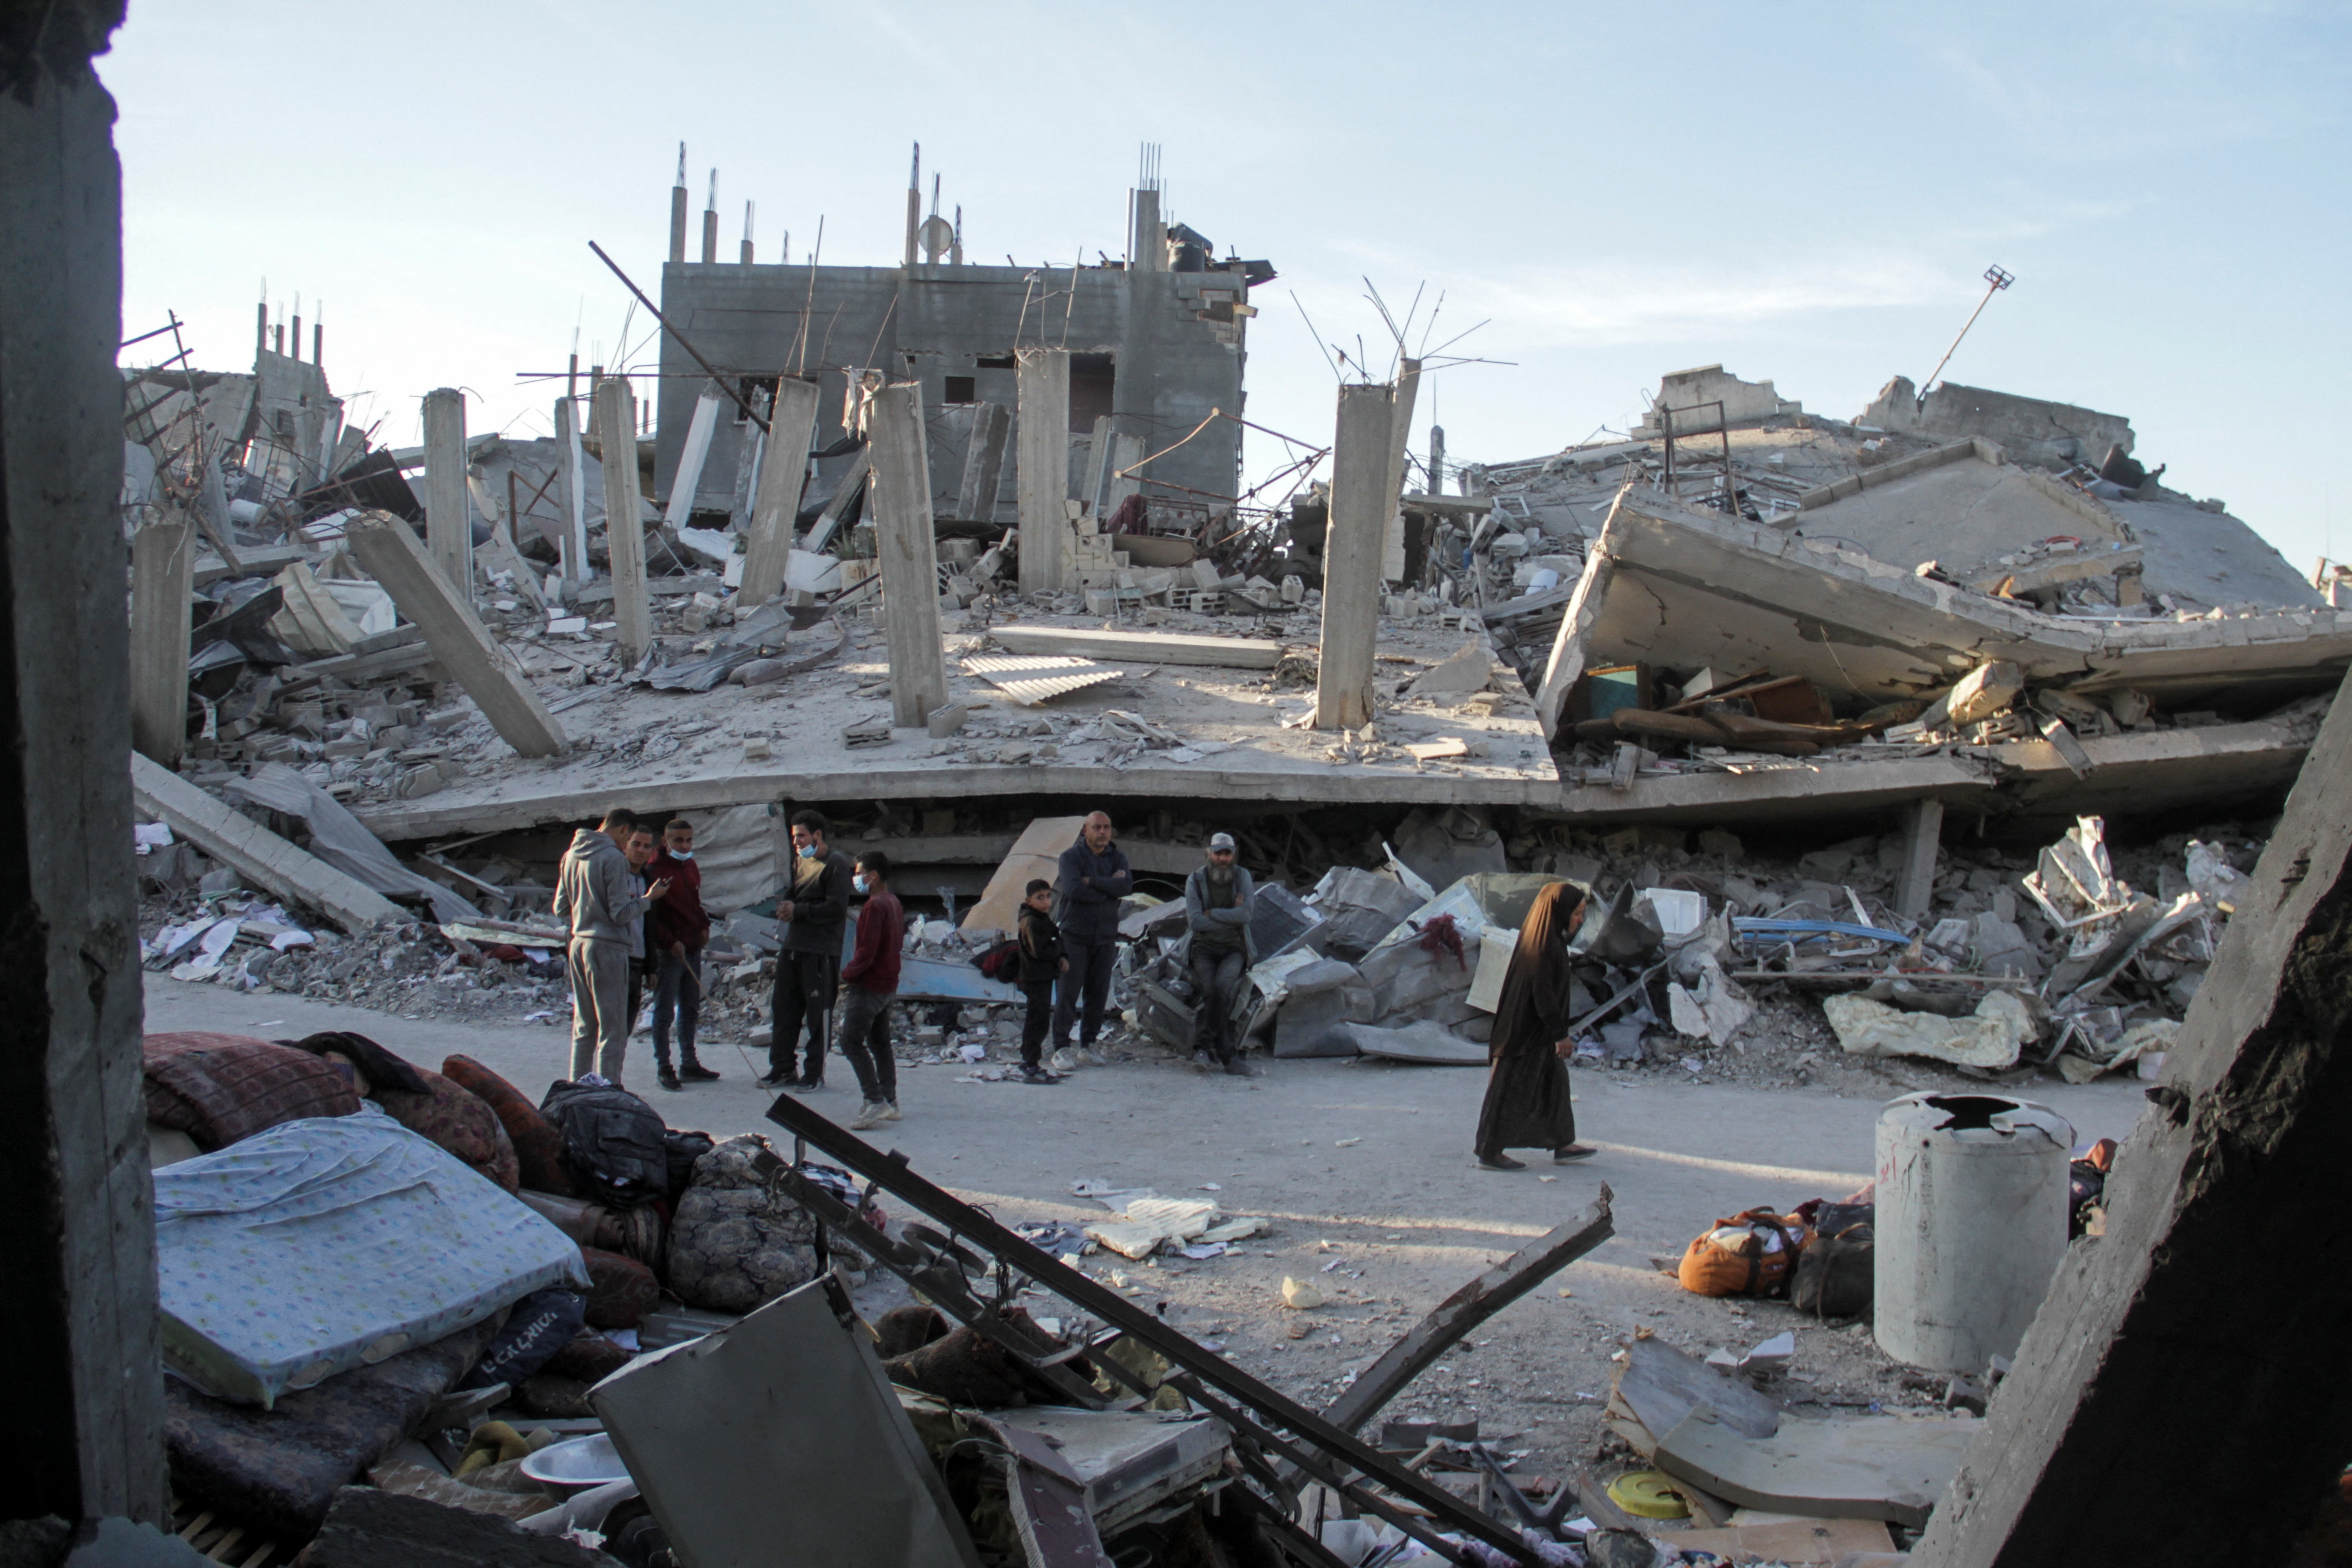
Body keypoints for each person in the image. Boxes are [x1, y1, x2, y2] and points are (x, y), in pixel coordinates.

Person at [1474, 880, 1599, 1171]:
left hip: (1537, 1034)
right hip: (1523, 1035)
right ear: (1561, 911)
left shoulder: (1551, 939)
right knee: (1508, 1090)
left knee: (1555, 1083)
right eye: (1577, 912)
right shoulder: (1543, 945)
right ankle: (1489, 1150)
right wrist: (1560, 1035)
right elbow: (1542, 994)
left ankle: (1563, 1142)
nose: (1580, 919)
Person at [553, 807, 669, 1087]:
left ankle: (577, 1089)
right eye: (629, 838)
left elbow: (560, 908)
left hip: (579, 943)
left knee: (585, 1027)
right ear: (622, 831)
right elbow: (620, 913)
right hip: (608, 947)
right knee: (613, 1030)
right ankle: (608, 1093)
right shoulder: (613, 859)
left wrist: (586, 910)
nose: (626, 844)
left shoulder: (570, 856)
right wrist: (648, 898)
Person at [764, 809, 853, 1090]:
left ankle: (814, 1073)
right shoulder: (800, 862)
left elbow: (836, 908)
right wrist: (785, 905)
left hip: (821, 951)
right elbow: (795, 892)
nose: (797, 842)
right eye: (794, 837)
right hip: (794, 946)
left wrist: (798, 910)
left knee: (818, 1014)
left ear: (817, 835)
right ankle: (782, 1068)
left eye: (801, 836)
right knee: (784, 1009)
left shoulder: (836, 864)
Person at [1052, 811, 1131, 1069]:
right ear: (1085, 830)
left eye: (1107, 827)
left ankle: (1089, 1045)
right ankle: (1061, 1048)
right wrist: (1108, 889)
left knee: (1097, 995)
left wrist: (1094, 882)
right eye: (1096, 827)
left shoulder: (1117, 857)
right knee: (1068, 993)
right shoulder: (1070, 857)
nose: (1102, 832)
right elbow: (1074, 889)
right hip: (1075, 936)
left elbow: (1126, 888)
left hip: (1105, 937)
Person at [649, 817, 719, 1092]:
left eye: (689, 840)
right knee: (664, 1011)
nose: (685, 845)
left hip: (692, 947)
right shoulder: (654, 870)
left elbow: (694, 902)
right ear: (666, 841)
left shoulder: (690, 865)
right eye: (679, 840)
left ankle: (689, 1062)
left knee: (690, 1007)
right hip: (670, 952)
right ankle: (664, 1066)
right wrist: (670, 942)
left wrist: (704, 926)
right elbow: (653, 916)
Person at [838, 851, 905, 1131]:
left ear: (873, 875)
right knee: (880, 1042)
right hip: (889, 983)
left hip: (869, 985)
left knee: (851, 1041)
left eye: (859, 872)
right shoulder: (894, 903)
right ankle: (890, 1100)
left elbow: (866, 952)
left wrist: (846, 975)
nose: (857, 878)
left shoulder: (874, 906)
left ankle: (874, 1099)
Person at [1183, 832, 1259, 1076]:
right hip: (1203, 949)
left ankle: (1202, 1049)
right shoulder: (1195, 880)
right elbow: (1195, 922)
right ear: (1209, 854)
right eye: (1218, 853)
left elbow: (1246, 916)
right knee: (1210, 990)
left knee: (1221, 989)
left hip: (1234, 949)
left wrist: (1212, 913)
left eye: (1227, 854)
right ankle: (1230, 1057)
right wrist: (1230, 917)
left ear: (1233, 855)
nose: (1223, 859)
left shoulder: (1242, 877)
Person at [1015, 879, 1066, 1086]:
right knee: (1037, 1021)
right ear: (1029, 900)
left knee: (1039, 1020)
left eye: (1048, 896)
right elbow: (1040, 951)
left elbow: (1054, 938)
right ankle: (1030, 1065)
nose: (1046, 902)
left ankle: (1029, 1061)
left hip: (1043, 977)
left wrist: (1060, 950)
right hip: (1035, 977)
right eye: (1040, 898)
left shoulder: (1041, 918)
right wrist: (1059, 949)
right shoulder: (1031, 921)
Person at [621, 822, 658, 1046]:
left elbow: (649, 926)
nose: (641, 851)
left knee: (626, 1023)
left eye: (646, 846)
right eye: (636, 844)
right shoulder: (615, 876)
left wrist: (651, 967)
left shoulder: (648, 881)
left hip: (637, 958)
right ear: (625, 845)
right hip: (617, 956)